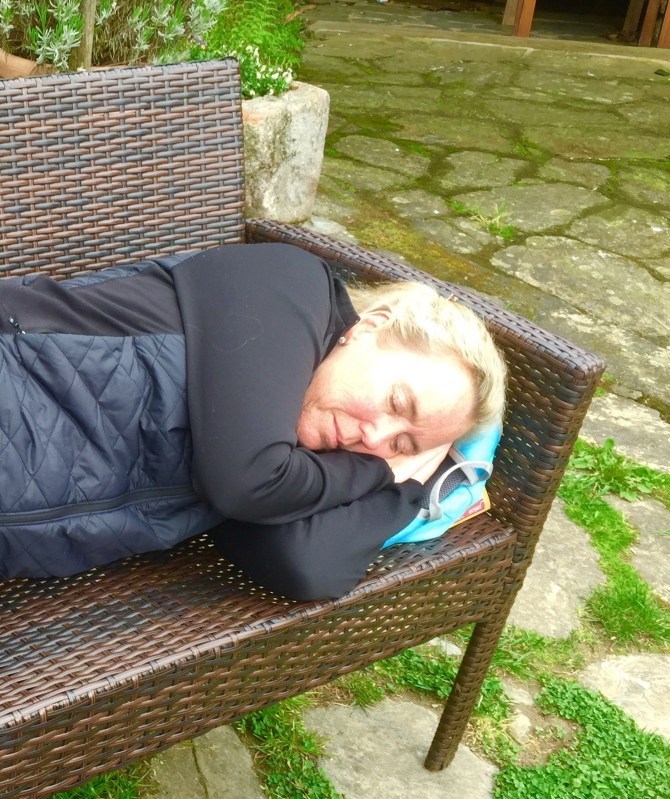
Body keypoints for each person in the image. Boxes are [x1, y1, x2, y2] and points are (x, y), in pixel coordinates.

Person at [0, 243, 506, 598]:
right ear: (370, 329)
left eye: (402, 445)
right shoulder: (287, 284)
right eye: (397, 402)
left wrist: (405, 488)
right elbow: (246, 481)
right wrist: (379, 471)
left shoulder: (296, 467)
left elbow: (308, 565)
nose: (374, 436)